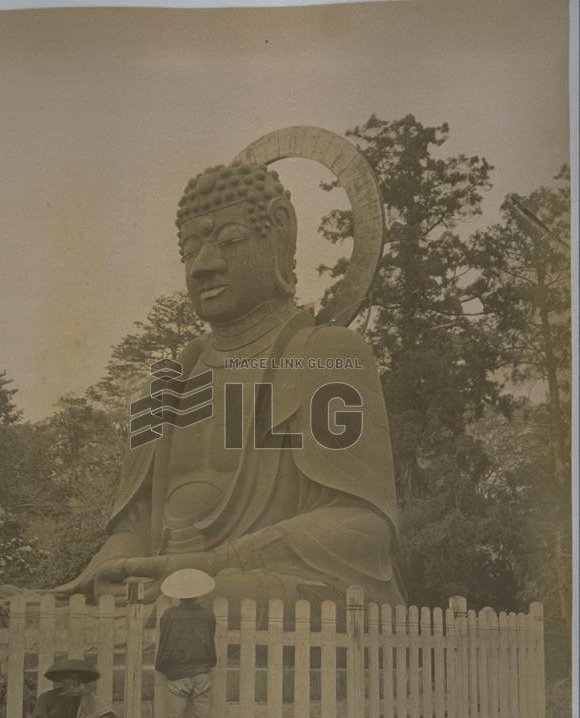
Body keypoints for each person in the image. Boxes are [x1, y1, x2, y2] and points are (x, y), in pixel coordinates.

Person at [54, 158, 405, 615]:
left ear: (278, 235)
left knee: (205, 601)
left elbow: (365, 529)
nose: (204, 265)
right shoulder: (164, 384)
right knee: (72, 615)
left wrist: (218, 562)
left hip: (267, 584)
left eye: (230, 241)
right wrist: (117, 565)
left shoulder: (327, 353)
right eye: (191, 250)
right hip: (168, 585)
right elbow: (135, 527)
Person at [154, 568, 219, 718]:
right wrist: (207, 664)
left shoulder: (169, 616)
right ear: (199, 593)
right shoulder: (207, 615)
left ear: (178, 594)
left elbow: (164, 646)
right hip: (201, 674)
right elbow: (210, 646)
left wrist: (163, 667)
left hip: (177, 676)